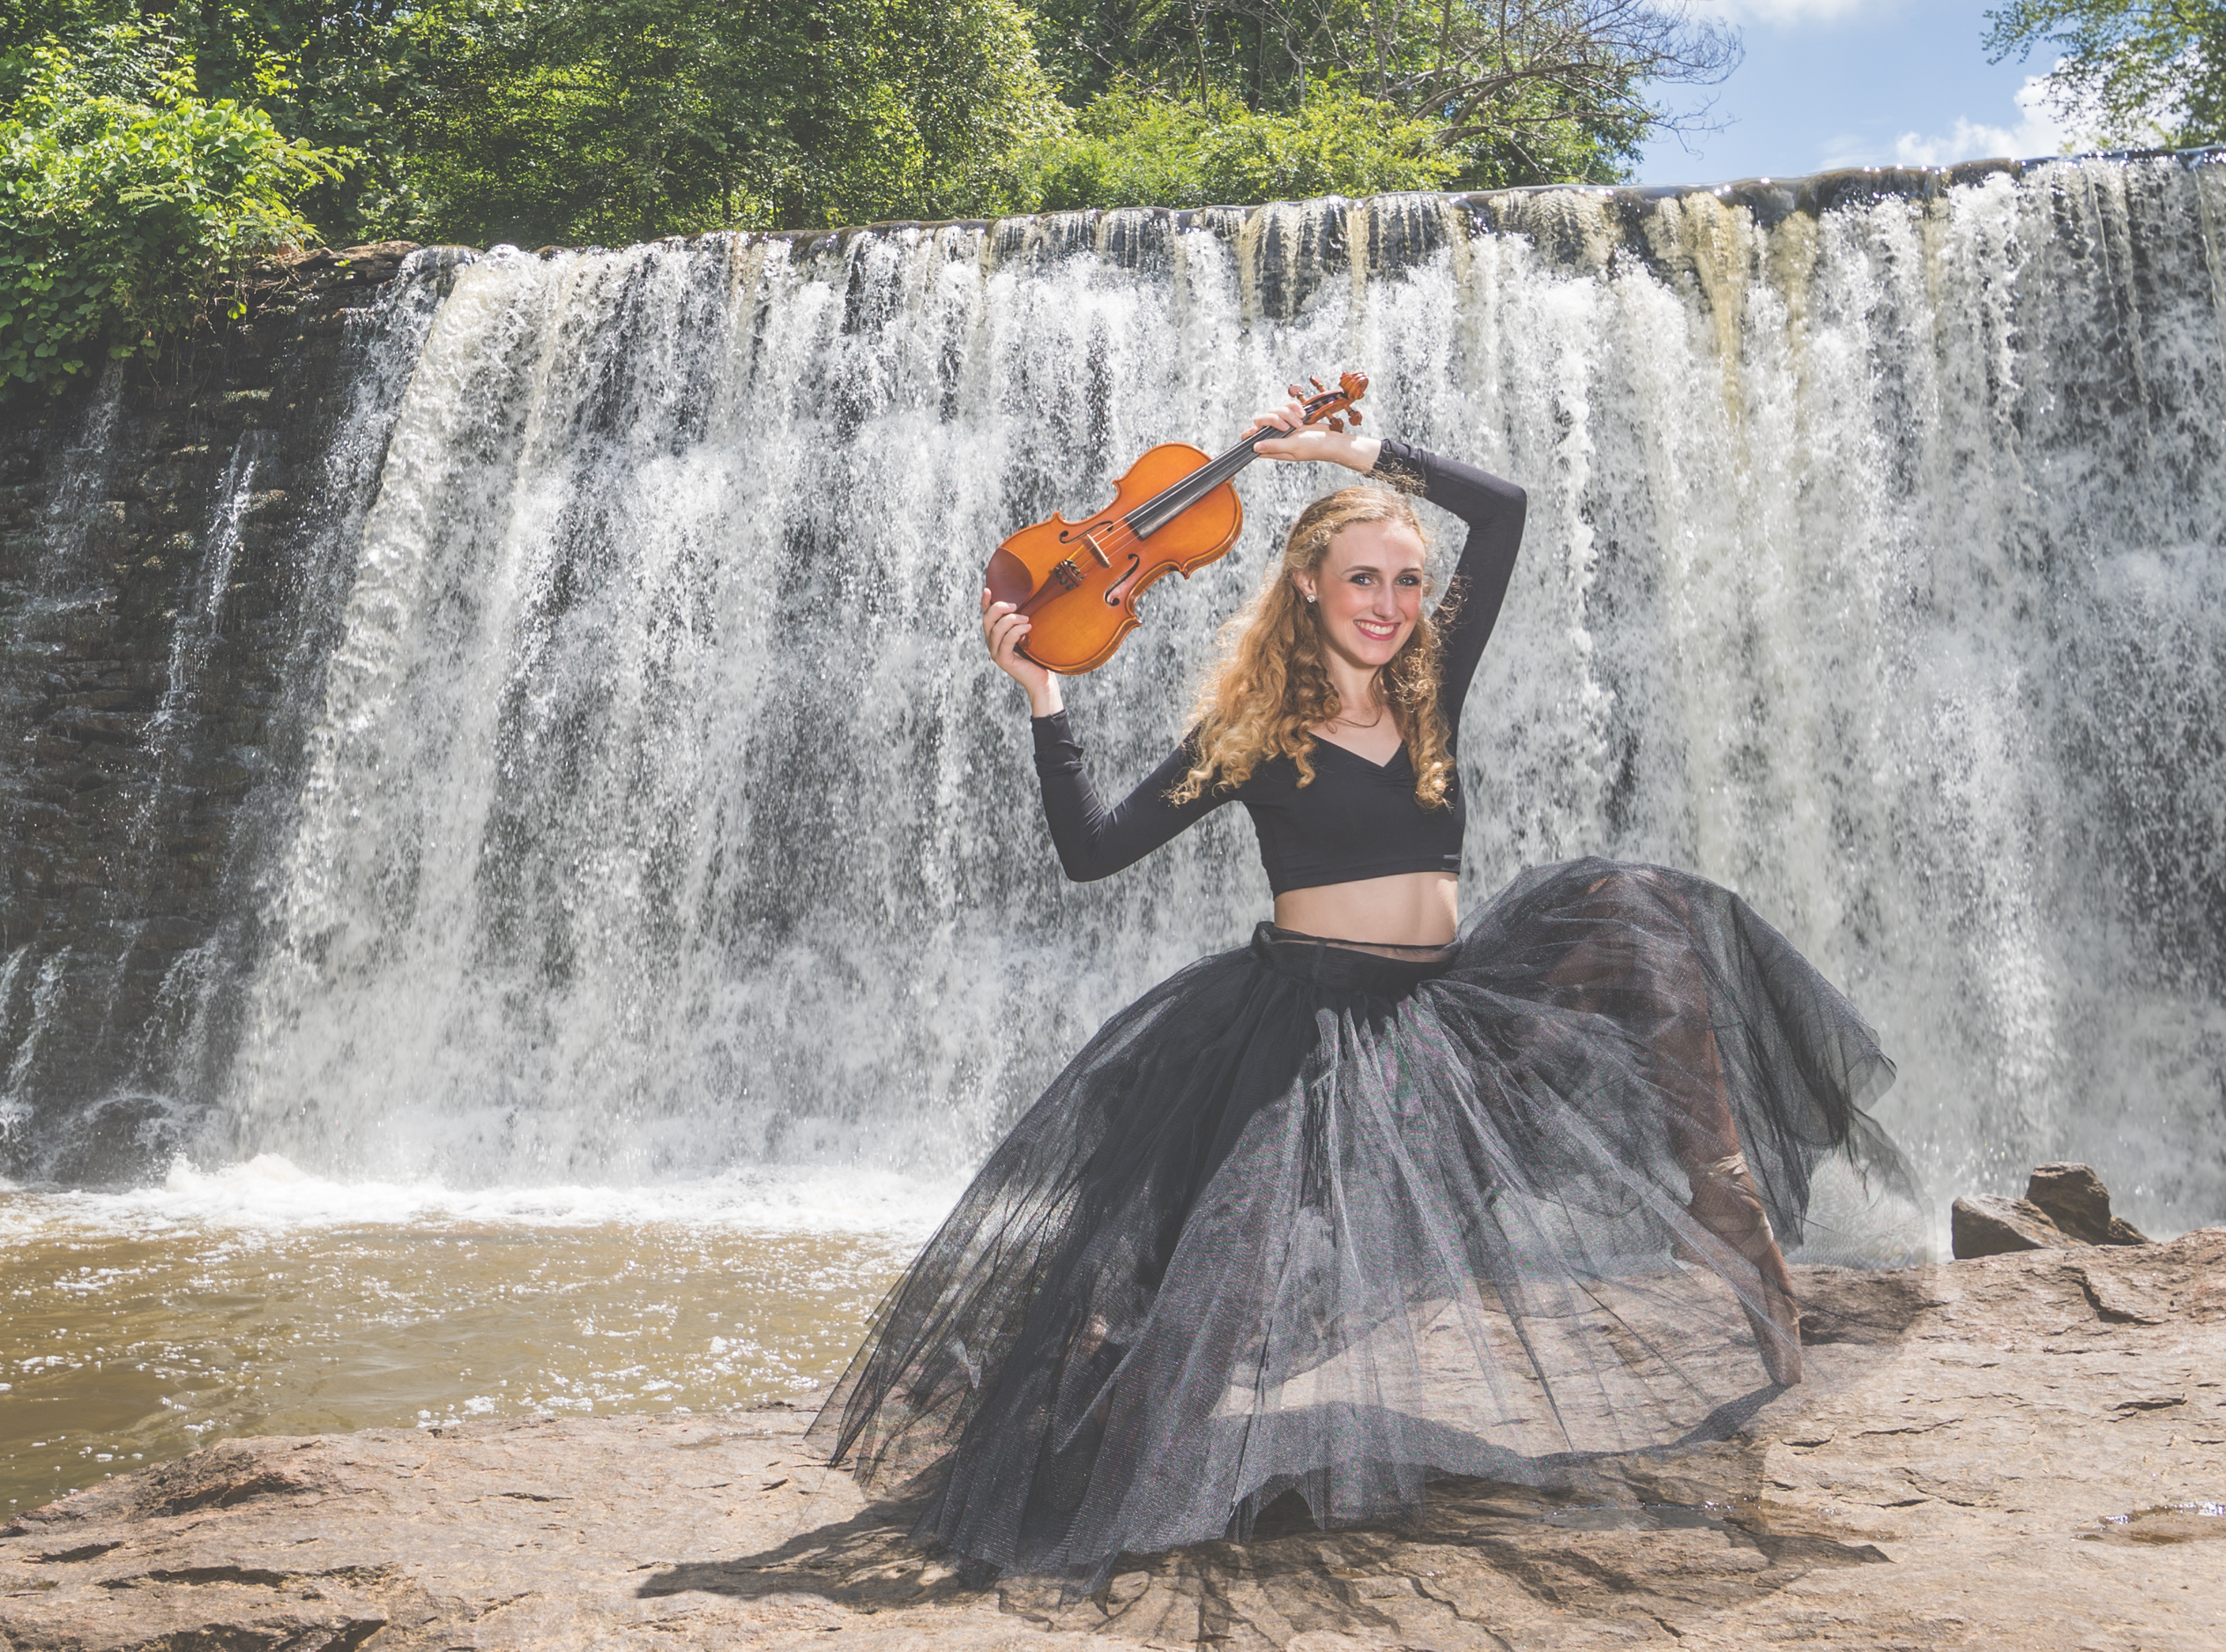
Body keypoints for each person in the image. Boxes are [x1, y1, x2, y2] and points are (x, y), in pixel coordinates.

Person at [812, 390, 1907, 1581]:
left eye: (1402, 582)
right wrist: (1044, 701)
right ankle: (1089, 1439)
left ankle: (1719, 1201)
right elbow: (1091, 852)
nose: (1387, 607)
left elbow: (1508, 513)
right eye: (1361, 582)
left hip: (1448, 1012)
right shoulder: (1249, 734)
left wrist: (1353, 453)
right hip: (1304, 1027)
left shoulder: (1432, 684)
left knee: (1639, 917)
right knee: (1214, 1295)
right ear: (1308, 593)